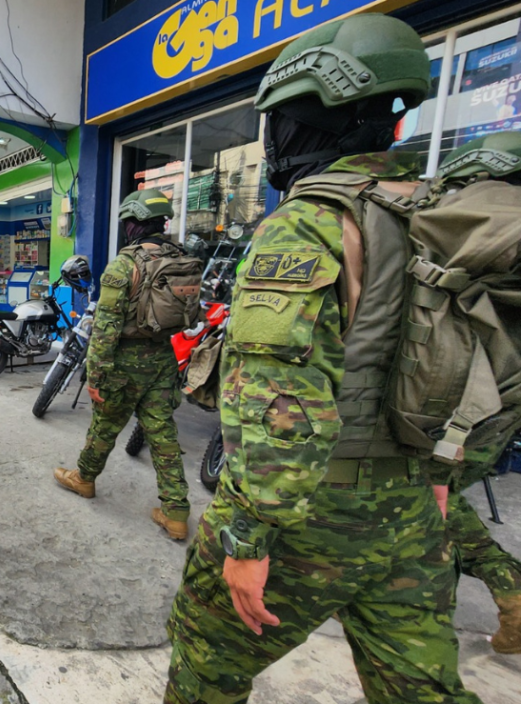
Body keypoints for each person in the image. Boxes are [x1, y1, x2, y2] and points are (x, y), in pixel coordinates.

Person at [166, 15, 483, 704]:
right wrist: (446, 471)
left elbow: (280, 406)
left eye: (277, 120)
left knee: (204, 664)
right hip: (415, 514)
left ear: (310, 114)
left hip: (312, 519)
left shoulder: (307, 225)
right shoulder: (441, 215)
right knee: (423, 690)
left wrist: (248, 539)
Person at [53, 188, 190, 540]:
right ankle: (176, 512)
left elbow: (105, 328)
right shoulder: (182, 259)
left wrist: (95, 375)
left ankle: (83, 479)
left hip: (125, 362)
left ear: (134, 224)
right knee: (163, 434)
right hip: (162, 358)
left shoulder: (125, 264)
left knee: (104, 427)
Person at [432, 132, 521, 655]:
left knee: (428, 504)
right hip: (503, 404)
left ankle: (430, 635)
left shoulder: (467, 235)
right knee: (443, 499)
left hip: (463, 403)